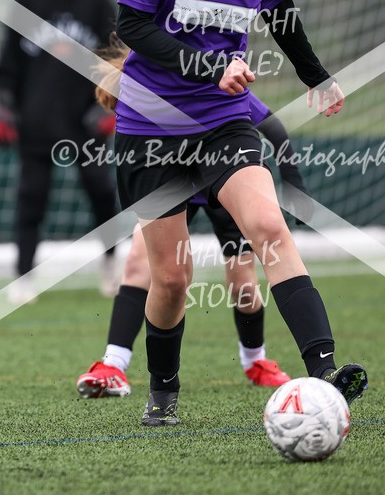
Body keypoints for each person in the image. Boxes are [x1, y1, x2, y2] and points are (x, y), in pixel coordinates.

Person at [113, 0, 368, 425]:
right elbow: (131, 23)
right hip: (151, 124)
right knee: (172, 279)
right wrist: (206, 64)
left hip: (223, 121)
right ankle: (164, 393)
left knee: (267, 226)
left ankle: (325, 371)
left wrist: (316, 75)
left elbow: (278, 10)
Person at [76, 75, 311, 396]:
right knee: (138, 263)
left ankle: (255, 359)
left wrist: (293, 183)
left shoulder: (213, 83)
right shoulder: (149, 85)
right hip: (172, 186)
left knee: (243, 283)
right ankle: (113, 364)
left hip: (224, 182)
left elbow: (272, 126)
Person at [0, 0, 119, 303]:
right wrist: (6, 108)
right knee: (32, 196)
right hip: (37, 120)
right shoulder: (27, 0)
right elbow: (7, 65)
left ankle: (112, 264)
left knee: (101, 192)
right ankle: (24, 275)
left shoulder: (97, 1)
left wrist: (106, 106)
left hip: (85, 121)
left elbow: (116, 60)